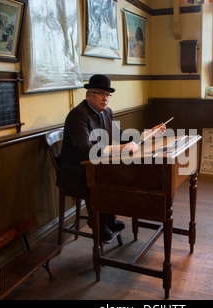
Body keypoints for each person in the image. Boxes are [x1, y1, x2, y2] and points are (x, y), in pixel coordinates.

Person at [57, 74, 165, 240]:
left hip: (96, 166)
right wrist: (120, 148)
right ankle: (99, 223)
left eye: (107, 95)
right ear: (88, 95)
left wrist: (149, 133)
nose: (105, 98)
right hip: (76, 171)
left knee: (120, 174)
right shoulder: (77, 115)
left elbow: (121, 136)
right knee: (110, 175)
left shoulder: (106, 113)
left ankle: (108, 218)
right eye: (100, 94)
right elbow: (84, 150)